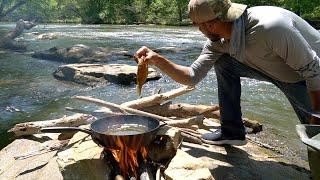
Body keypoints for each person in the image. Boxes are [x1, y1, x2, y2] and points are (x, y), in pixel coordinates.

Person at [135, 0, 320, 145]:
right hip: (277, 69)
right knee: (224, 62)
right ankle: (232, 131)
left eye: (198, 25)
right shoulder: (219, 43)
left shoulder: (270, 28)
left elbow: (314, 70)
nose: (198, 30)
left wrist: (317, 113)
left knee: (315, 134)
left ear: (210, 25)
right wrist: (157, 59)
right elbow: (192, 76)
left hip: (307, 75)